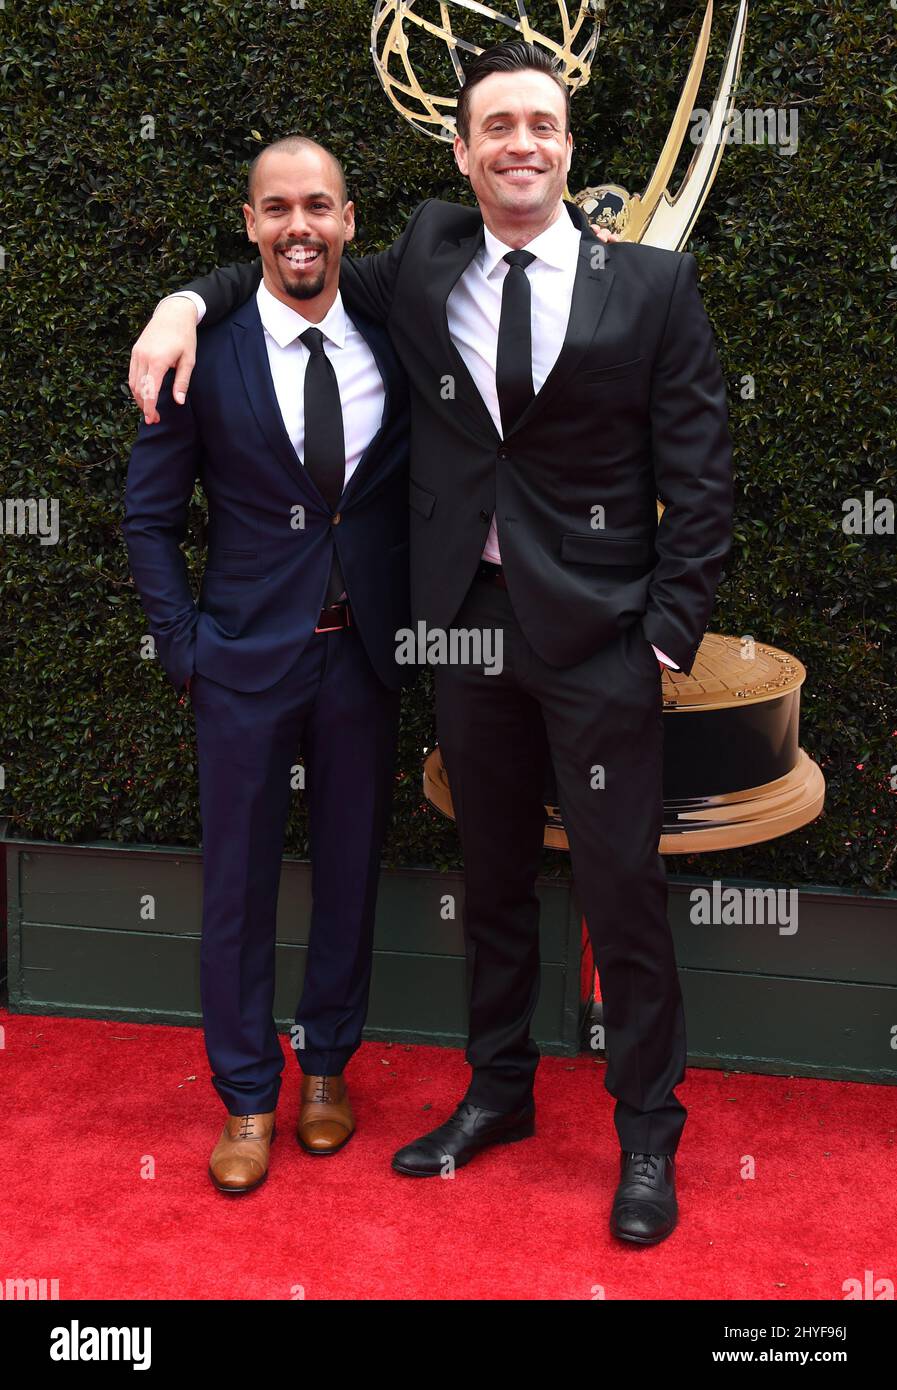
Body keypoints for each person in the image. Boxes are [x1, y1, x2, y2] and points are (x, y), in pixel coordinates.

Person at [128, 41, 734, 1244]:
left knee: (623, 891)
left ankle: (647, 1132)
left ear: (568, 146)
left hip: (605, 641)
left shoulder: (653, 286)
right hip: (468, 635)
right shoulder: (426, 261)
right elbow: (292, 261)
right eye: (496, 125)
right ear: (461, 151)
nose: (521, 143)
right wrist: (186, 298)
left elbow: (703, 481)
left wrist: (664, 638)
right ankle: (499, 1093)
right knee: (492, 879)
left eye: (542, 126)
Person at [123, 136, 412, 1194]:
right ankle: (246, 1094)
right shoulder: (206, 350)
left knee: (350, 875)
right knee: (237, 891)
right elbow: (147, 521)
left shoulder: (395, 332)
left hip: (364, 663)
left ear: (348, 221)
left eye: (321, 206)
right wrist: (187, 652)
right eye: (279, 207)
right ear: (250, 223)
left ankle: (326, 1067)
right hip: (241, 667)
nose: (301, 225)